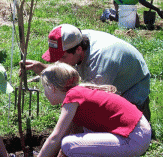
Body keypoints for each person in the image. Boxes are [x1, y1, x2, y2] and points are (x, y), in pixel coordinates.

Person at [15, 62, 152, 157]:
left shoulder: (72, 97)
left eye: (45, 89)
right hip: (140, 131)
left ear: (52, 88)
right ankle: (124, 156)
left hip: (134, 138)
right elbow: (73, 128)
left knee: (69, 145)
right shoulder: (79, 92)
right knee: (78, 137)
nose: (45, 94)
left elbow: (56, 137)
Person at [24, 24, 152, 120]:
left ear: (79, 50)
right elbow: (67, 68)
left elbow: (89, 102)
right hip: (110, 74)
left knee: (105, 120)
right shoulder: (73, 39)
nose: (58, 62)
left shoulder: (100, 65)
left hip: (132, 86)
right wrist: (43, 68)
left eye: (62, 58)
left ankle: (141, 113)